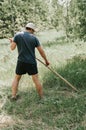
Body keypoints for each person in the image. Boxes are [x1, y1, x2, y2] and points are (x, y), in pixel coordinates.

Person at [9, 22, 49, 100]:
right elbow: (41, 51)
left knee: (17, 78)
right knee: (36, 79)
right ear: (31, 29)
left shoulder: (17, 35)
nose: (33, 32)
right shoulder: (34, 38)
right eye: (33, 30)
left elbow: (12, 48)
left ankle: (13, 96)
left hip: (21, 62)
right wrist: (46, 61)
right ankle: (42, 97)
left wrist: (12, 42)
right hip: (31, 62)